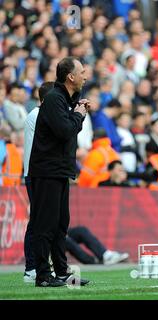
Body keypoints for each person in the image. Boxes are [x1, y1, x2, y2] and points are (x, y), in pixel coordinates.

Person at [28, 57, 90, 287]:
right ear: (70, 77)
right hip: (47, 171)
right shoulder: (54, 99)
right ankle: (43, 275)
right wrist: (79, 114)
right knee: (45, 224)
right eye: (81, 72)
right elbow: (65, 131)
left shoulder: (64, 99)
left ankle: (62, 272)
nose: (85, 76)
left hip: (59, 171)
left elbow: (68, 129)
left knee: (60, 223)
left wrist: (77, 112)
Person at [22, 81, 54, 283]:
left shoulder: (42, 115)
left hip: (41, 173)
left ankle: (40, 265)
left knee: (43, 222)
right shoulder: (36, 116)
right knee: (36, 222)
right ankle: (31, 267)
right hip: (36, 174)